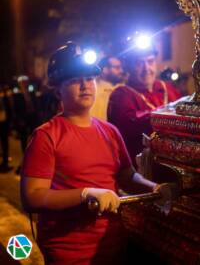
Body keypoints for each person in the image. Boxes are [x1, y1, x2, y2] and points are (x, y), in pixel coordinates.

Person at [20, 42, 171, 265]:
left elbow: (127, 177)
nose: (85, 86)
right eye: (74, 81)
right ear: (57, 90)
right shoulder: (46, 136)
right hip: (68, 252)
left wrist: (155, 188)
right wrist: (85, 194)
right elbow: (32, 197)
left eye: (89, 79)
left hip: (113, 244)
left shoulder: (110, 132)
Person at [107, 46, 181, 168]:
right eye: (139, 63)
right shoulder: (121, 95)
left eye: (150, 61)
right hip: (143, 168)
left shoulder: (168, 88)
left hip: (178, 161)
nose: (146, 68)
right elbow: (130, 127)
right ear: (128, 67)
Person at [90, 56, 125, 120]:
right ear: (105, 70)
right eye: (117, 67)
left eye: (121, 67)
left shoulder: (124, 89)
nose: (121, 71)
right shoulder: (93, 90)